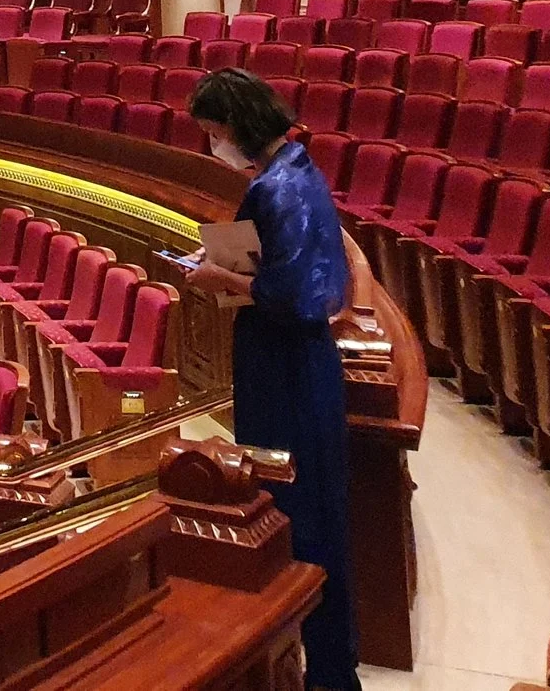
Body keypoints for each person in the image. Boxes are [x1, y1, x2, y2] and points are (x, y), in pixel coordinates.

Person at [185, 67, 360, 691]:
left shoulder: (276, 191)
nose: (212, 145)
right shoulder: (297, 171)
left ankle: (325, 677)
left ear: (235, 125)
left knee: (298, 522)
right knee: (311, 518)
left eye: (212, 132)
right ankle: (328, 672)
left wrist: (218, 277)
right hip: (295, 364)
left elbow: (291, 295)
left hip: (286, 368)